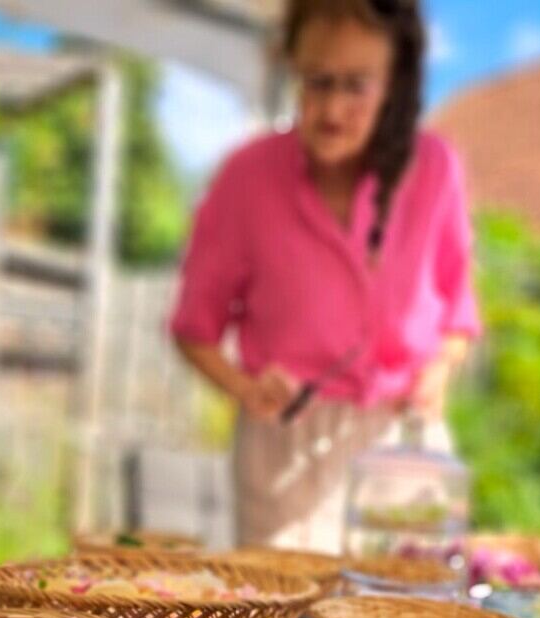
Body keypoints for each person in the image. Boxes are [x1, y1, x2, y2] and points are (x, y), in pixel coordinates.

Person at [170, 0, 479, 553]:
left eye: (357, 85)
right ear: (293, 68)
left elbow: (459, 313)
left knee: (404, 605)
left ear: (394, 84)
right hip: (286, 450)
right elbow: (194, 329)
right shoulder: (247, 177)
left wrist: (439, 369)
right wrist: (246, 388)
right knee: (278, 609)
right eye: (317, 81)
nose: (333, 108)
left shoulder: (434, 169)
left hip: (402, 444)